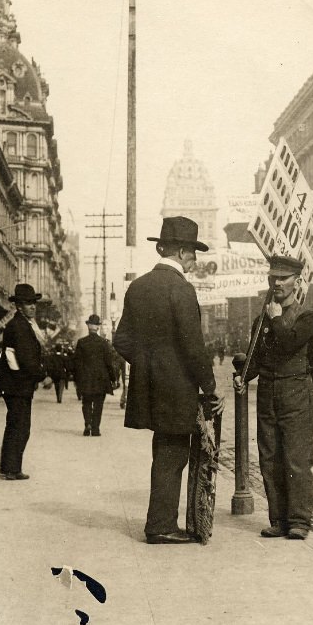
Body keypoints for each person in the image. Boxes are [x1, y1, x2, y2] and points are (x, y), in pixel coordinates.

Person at [113, 216, 223, 545]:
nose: (195, 260)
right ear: (180, 251)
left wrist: (147, 365)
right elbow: (193, 346)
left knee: (163, 450)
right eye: (193, 253)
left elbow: (121, 341)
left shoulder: (139, 286)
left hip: (151, 387)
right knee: (174, 454)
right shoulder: (181, 289)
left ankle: (160, 521)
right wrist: (210, 386)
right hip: (178, 389)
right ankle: (160, 525)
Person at [234, 255, 313, 541]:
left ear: (297, 281)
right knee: (269, 458)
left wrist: (276, 318)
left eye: (283, 278)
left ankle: (298, 521)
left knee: (296, 458)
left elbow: (289, 343)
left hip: (295, 393)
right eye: (273, 277)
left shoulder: (307, 316)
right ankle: (278, 519)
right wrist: (243, 376)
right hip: (269, 394)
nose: (277, 283)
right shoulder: (262, 318)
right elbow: (256, 358)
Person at [0, 283, 46, 480]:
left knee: (15, 424)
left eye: (34, 303)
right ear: (18, 306)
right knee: (20, 426)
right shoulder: (20, 326)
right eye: (28, 303)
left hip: (15, 384)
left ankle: (9, 466)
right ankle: (11, 469)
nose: (33, 306)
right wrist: (43, 375)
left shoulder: (21, 324)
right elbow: (26, 358)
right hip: (17, 385)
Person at [73, 314, 116, 436]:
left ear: (88, 326)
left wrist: (77, 379)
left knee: (86, 402)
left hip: (85, 378)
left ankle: (87, 423)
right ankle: (96, 428)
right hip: (100, 379)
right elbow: (108, 363)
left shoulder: (81, 343)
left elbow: (76, 363)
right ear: (97, 327)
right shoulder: (104, 343)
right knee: (98, 404)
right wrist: (113, 378)